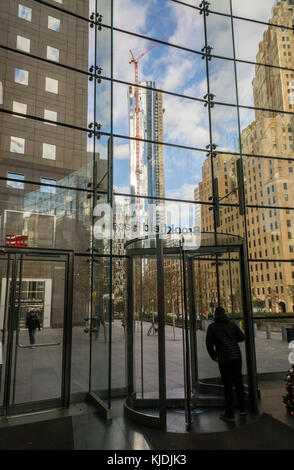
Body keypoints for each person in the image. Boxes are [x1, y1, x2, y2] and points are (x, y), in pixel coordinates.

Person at [205, 306, 247, 423]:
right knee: (238, 382)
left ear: (215, 315)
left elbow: (209, 344)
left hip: (224, 358)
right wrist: (231, 340)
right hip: (236, 356)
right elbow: (242, 337)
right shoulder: (232, 324)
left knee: (228, 385)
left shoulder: (213, 327)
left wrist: (214, 356)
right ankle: (242, 408)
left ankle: (230, 413)